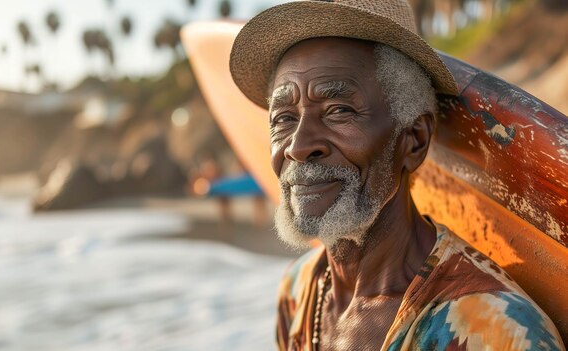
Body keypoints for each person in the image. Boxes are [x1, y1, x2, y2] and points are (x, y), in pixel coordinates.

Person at [228, 0, 565, 350]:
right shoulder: (299, 289)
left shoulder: (495, 331)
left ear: (413, 141)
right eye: (283, 118)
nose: (297, 147)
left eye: (339, 111)